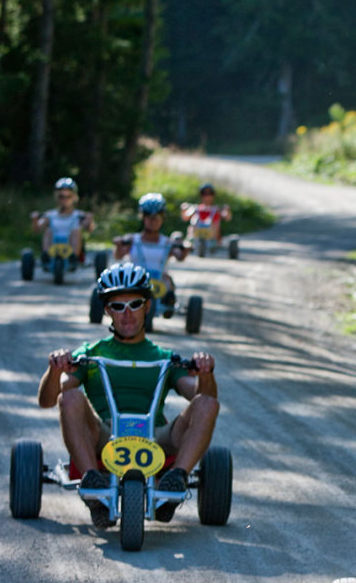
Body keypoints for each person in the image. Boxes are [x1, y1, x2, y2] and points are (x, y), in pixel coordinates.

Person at [38, 261, 219, 526]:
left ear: (147, 306)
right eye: (118, 306)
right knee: (70, 397)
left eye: (134, 304)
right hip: (104, 435)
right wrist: (55, 370)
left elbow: (201, 396)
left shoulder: (164, 357)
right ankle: (93, 485)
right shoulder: (90, 354)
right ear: (107, 310)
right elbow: (46, 401)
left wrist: (205, 373)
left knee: (207, 404)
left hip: (155, 437)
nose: (127, 314)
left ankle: (175, 480)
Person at [112, 192, 187, 316]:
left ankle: (167, 304)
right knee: (123, 280)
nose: (153, 221)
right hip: (135, 281)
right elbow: (118, 256)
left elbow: (180, 257)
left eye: (157, 217)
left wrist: (185, 249)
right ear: (143, 217)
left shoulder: (167, 242)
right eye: (149, 217)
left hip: (159, 283)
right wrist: (119, 245)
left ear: (162, 217)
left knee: (168, 281)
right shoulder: (132, 239)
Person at [31, 176, 95, 263]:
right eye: (62, 197)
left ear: (74, 197)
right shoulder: (50, 215)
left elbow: (90, 229)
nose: (65, 200)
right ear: (57, 197)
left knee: (76, 232)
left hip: (71, 248)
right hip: (53, 247)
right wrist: (35, 220)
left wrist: (89, 220)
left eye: (68, 197)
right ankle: (46, 256)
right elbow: (37, 229)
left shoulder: (79, 215)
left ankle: (74, 258)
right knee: (48, 231)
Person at [181, 183, 232, 252]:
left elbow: (227, 217)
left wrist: (227, 210)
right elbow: (185, 218)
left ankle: (213, 242)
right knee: (195, 220)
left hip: (212, 235)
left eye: (210, 194)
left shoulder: (217, 209)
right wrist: (183, 209)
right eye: (204, 194)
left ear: (213, 195)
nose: (207, 196)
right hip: (196, 234)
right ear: (201, 195)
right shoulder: (195, 208)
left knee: (211, 221)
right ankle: (191, 240)